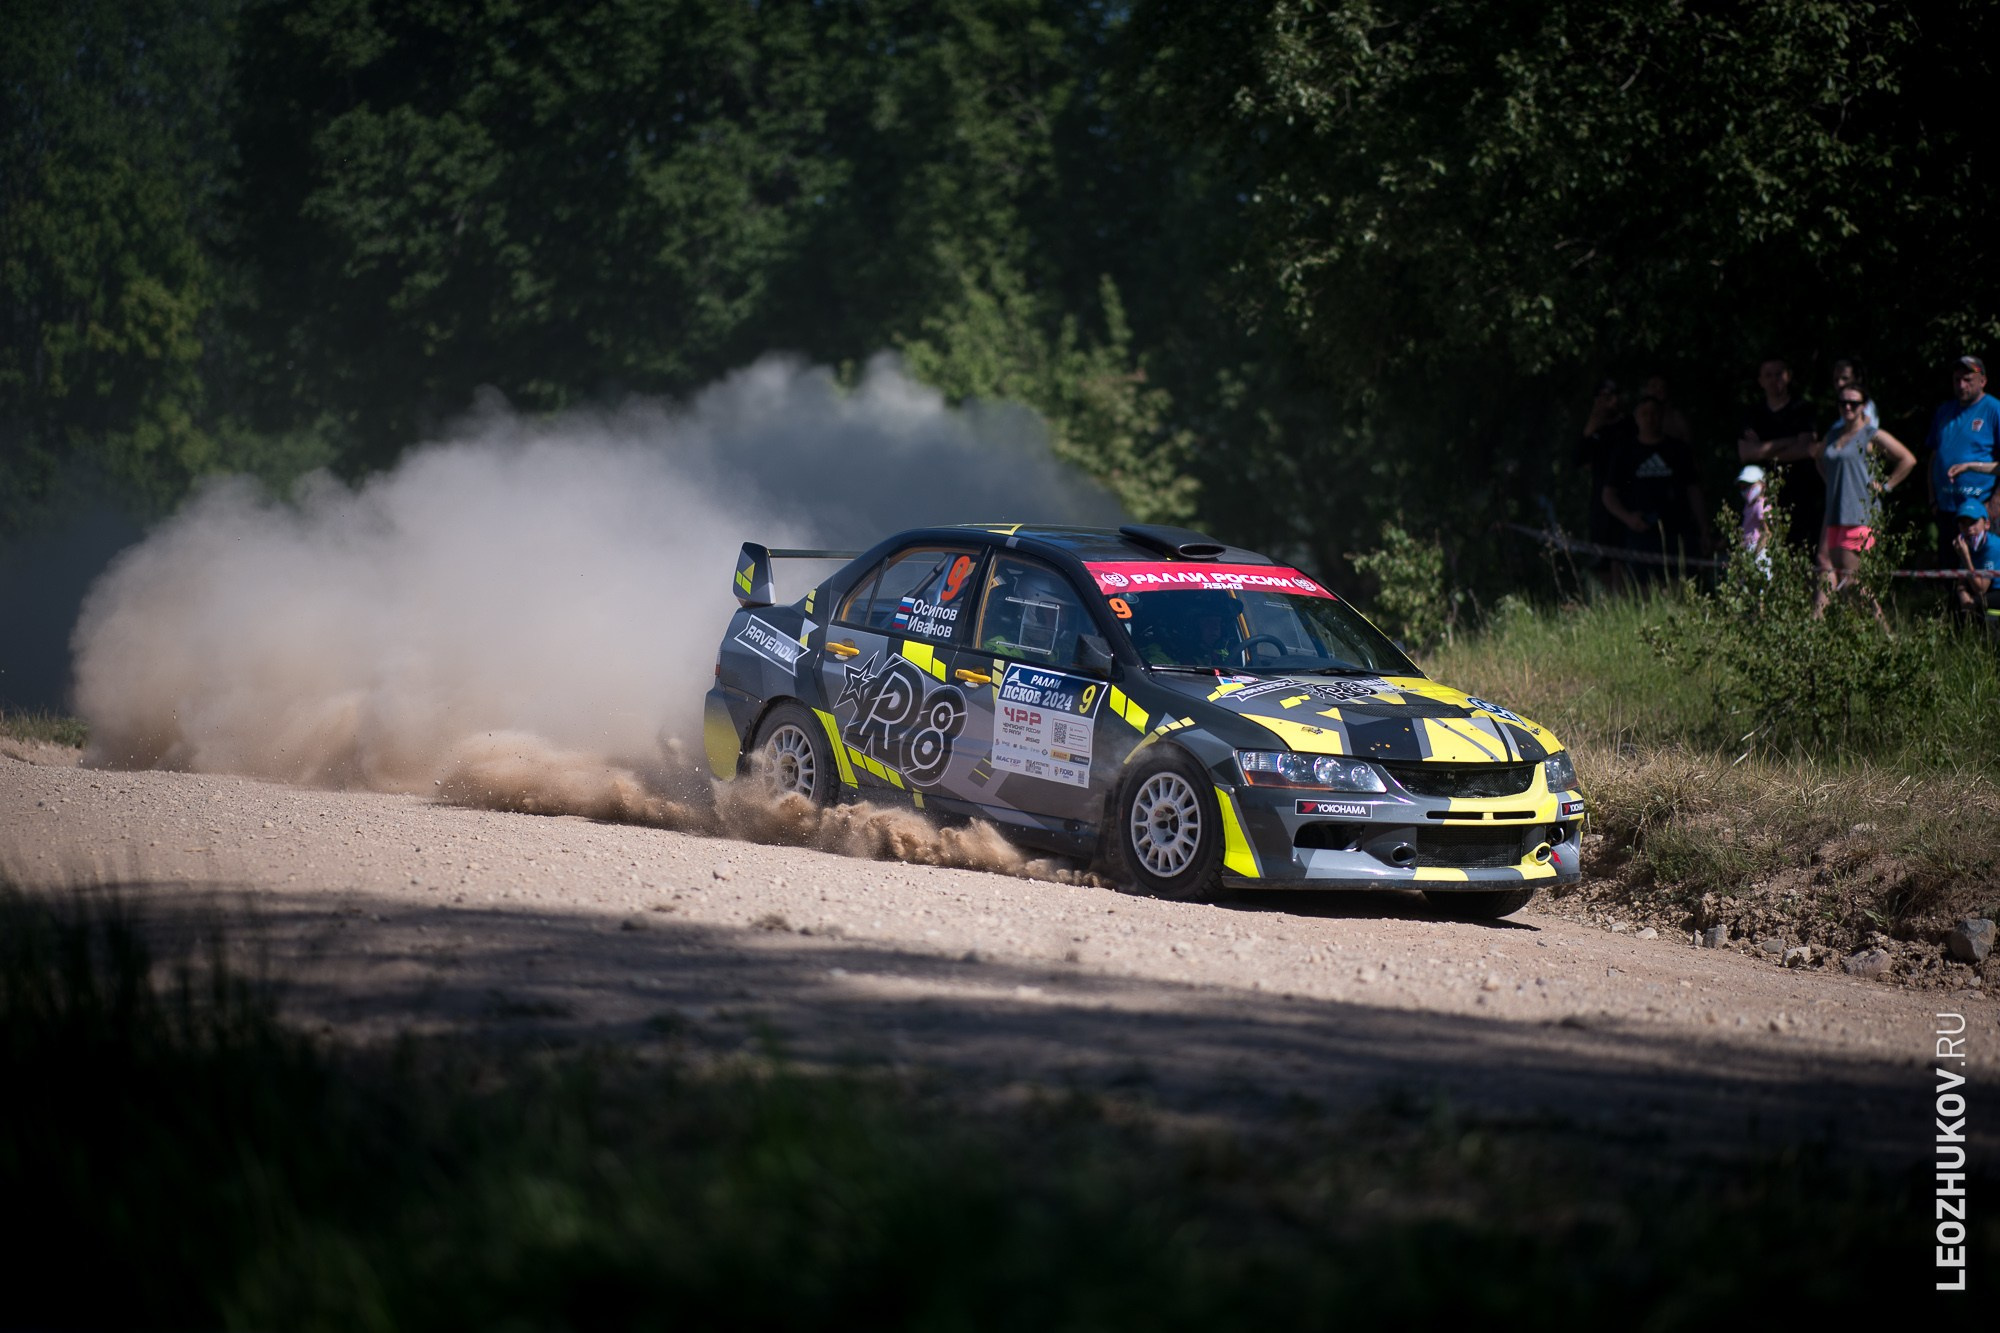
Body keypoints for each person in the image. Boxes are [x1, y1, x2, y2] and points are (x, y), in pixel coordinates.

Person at [1811, 383, 1914, 617]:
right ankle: (1836, 629)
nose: (1847, 407)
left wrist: (1886, 485)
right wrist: (1832, 482)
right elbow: (1818, 457)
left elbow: (1907, 459)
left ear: (1863, 406)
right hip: (1835, 513)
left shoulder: (1871, 434)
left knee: (1851, 580)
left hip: (1860, 514)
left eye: (1854, 403)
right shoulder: (1833, 434)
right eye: (1843, 402)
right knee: (1837, 576)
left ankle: (1883, 633)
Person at [1601, 394, 1707, 581]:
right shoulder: (1625, 452)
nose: (1650, 418)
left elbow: (1694, 490)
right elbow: (1608, 494)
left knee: (1683, 583)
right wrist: (1628, 518)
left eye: (1654, 413)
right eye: (1644, 414)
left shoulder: (1679, 450)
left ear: (1662, 416)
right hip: (1640, 532)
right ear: (1636, 418)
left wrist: (1703, 529)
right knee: (1643, 587)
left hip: (1677, 531)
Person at [1737, 357, 1820, 556]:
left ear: (1788, 376)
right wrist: (1789, 441)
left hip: (1799, 495)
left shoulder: (1803, 410)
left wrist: (1762, 448)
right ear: (1760, 381)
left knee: (1800, 556)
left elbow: (1807, 449)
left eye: (1779, 374)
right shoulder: (1752, 413)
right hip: (1760, 500)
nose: (1774, 380)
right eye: (1768, 375)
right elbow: (1746, 453)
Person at [1927, 355, 2000, 566]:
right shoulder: (1944, 412)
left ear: (1982, 381)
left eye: (1967, 379)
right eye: (1957, 380)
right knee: (1949, 571)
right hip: (1947, 508)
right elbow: (1934, 457)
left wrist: (1995, 504)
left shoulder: (1994, 409)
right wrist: (1933, 498)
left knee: (1982, 576)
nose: (1961, 385)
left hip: (1980, 511)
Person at [1574, 378, 1633, 580]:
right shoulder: (1593, 429)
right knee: (1603, 558)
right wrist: (1592, 424)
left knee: (1624, 556)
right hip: (1601, 503)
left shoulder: (1629, 426)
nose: (1608, 402)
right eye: (1601, 397)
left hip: (1627, 498)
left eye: (1611, 396)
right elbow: (1578, 460)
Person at [1951, 497, 2000, 631]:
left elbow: (1981, 589)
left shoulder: (1993, 546)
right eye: (1963, 523)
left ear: (1987, 524)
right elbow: (1961, 578)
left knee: (1977, 602)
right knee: (1956, 601)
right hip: (1983, 588)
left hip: (1994, 590)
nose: (1969, 529)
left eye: (1973, 522)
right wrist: (1962, 592)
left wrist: (1965, 556)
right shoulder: (1964, 543)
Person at [1737, 464, 1771, 571]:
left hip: (1758, 553)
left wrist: (1755, 555)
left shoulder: (1760, 505)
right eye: (1742, 486)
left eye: (1749, 485)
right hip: (1749, 551)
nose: (1745, 489)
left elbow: (1767, 532)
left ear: (1762, 484)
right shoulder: (1748, 506)